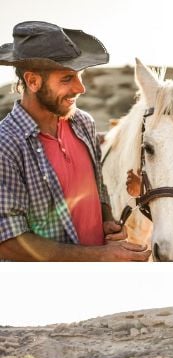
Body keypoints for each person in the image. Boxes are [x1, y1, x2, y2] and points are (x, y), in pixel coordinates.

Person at [0, 21, 149, 261]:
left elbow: (97, 187)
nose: (81, 88)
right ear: (33, 81)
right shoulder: (5, 144)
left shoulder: (83, 123)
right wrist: (99, 256)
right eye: (67, 78)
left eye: (80, 76)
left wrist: (106, 219)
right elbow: (7, 241)